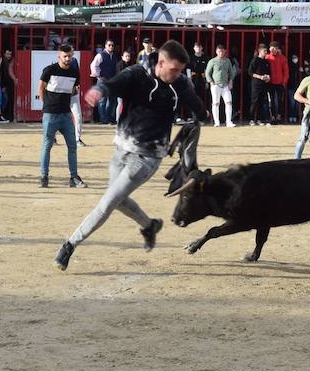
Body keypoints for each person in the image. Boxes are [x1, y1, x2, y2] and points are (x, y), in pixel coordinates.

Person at [55, 39, 205, 271]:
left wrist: (196, 123)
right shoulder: (137, 74)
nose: (177, 74)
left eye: (180, 71)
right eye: (174, 70)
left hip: (147, 157)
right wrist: (99, 90)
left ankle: (70, 244)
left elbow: (199, 110)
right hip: (121, 149)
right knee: (118, 200)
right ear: (161, 62)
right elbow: (114, 84)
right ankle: (150, 225)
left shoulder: (181, 84)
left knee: (107, 202)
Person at [38, 43, 87, 188]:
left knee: (72, 146)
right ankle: (44, 177)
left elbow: (73, 90)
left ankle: (73, 177)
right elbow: (40, 88)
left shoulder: (74, 72)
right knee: (47, 146)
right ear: (59, 56)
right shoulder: (49, 70)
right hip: (50, 114)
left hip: (66, 114)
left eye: (70, 56)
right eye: (65, 56)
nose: (68, 58)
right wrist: (46, 106)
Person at [205, 44, 236, 127]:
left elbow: (231, 73)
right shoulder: (212, 61)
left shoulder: (227, 61)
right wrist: (211, 82)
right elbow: (207, 73)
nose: (221, 53)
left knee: (229, 102)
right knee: (215, 103)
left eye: (222, 51)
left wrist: (230, 82)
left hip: (225, 84)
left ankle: (228, 121)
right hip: (216, 84)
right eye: (219, 51)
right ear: (216, 52)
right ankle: (216, 122)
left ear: (225, 51)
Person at [247, 43, 272, 125]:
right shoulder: (255, 60)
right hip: (256, 84)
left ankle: (259, 119)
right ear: (260, 51)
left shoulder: (266, 61)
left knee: (262, 102)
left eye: (266, 51)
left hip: (264, 85)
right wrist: (260, 77)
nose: (266, 52)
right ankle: (251, 119)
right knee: (254, 101)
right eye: (264, 51)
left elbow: (269, 73)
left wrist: (268, 78)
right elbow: (250, 72)